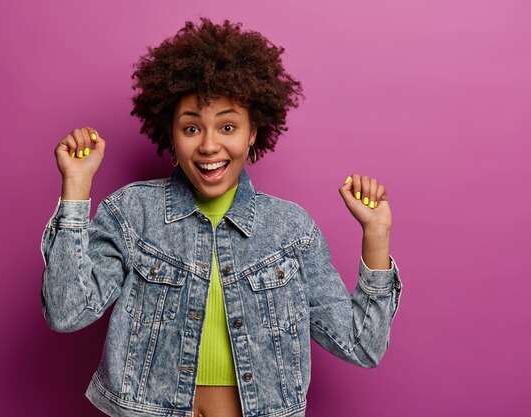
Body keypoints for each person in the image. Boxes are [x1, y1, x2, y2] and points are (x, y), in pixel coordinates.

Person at [40, 17, 402, 417]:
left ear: (252, 133)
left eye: (227, 126)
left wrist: (376, 234)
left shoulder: (291, 231)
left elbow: (362, 346)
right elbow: (67, 312)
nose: (210, 145)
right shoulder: (132, 214)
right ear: (172, 138)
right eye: (192, 128)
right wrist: (75, 188)